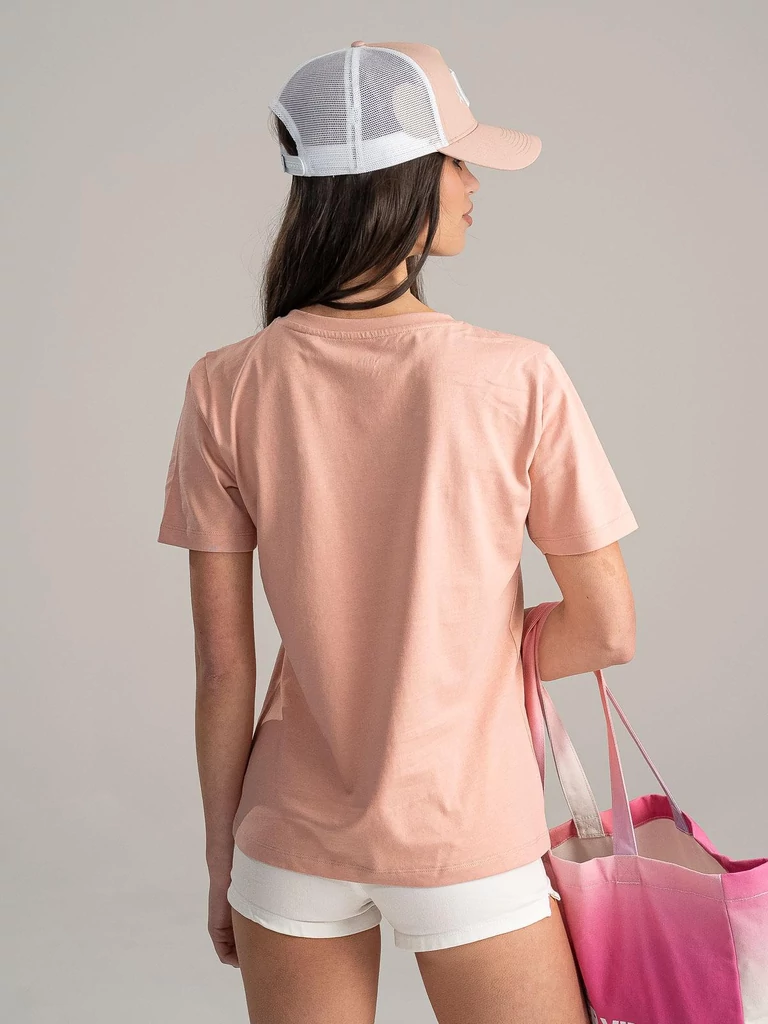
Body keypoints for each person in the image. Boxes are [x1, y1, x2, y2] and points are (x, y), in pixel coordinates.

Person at [157, 40, 638, 1024]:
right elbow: (608, 629)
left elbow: (221, 666)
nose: (473, 185)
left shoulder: (224, 383)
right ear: (406, 178)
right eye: (458, 161)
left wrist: (221, 862)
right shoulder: (516, 374)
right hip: (464, 834)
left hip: (286, 841)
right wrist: (465, 655)